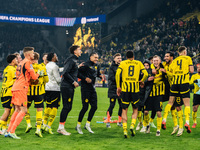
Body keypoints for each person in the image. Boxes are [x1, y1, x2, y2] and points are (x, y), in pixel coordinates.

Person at [5, 47, 39, 139]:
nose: (33, 55)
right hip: (21, 88)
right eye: (32, 53)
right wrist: (39, 73)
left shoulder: (20, 63)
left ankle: (8, 131)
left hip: (15, 87)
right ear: (28, 54)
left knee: (17, 110)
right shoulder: (28, 63)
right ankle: (12, 131)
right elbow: (34, 77)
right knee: (24, 110)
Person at [115, 50, 148, 138]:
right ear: (133, 57)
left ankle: (125, 130)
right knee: (135, 109)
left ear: (126, 57)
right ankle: (132, 125)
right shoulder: (138, 63)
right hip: (135, 90)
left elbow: (117, 74)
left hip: (125, 90)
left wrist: (118, 86)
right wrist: (142, 81)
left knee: (124, 110)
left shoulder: (123, 63)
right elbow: (145, 73)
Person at [162, 46, 194, 134]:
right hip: (184, 83)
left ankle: (164, 119)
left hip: (175, 83)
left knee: (170, 102)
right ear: (184, 52)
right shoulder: (188, 58)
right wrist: (187, 68)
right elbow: (191, 70)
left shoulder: (175, 60)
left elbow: (171, 71)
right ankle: (187, 122)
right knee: (187, 104)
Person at [57, 45, 82, 135]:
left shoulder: (74, 60)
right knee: (67, 106)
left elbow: (71, 71)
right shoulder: (71, 60)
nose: (81, 51)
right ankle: (60, 128)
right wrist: (73, 82)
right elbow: (65, 73)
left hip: (69, 86)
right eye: (79, 50)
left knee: (68, 107)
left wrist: (78, 67)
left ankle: (61, 127)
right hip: (67, 86)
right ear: (75, 51)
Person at [76, 52, 102, 134]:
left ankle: (87, 124)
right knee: (85, 107)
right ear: (90, 57)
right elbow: (77, 73)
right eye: (95, 57)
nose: (96, 59)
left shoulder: (97, 65)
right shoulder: (85, 65)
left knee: (94, 107)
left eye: (97, 57)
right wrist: (85, 78)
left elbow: (97, 73)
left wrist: (100, 76)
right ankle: (78, 125)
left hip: (92, 89)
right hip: (85, 89)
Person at [25, 52, 48, 138]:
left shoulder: (27, 67)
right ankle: (38, 129)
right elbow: (47, 79)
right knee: (39, 110)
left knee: (26, 108)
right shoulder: (42, 67)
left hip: (28, 92)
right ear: (38, 59)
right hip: (39, 92)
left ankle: (28, 124)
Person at [143, 55, 165, 136]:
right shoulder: (150, 68)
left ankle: (158, 130)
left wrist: (165, 72)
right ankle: (147, 125)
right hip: (149, 94)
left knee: (158, 112)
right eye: (154, 60)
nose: (155, 62)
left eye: (157, 60)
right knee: (145, 112)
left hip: (158, 94)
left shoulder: (163, 69)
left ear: (160, 61)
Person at [43, 52, 61, 134]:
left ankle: (44, 124)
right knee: (55, 107)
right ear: (53, 58)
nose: (57, 57)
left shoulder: (46, 65)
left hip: (47, 88)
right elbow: (58, 79)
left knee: (48, 106)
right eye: (56, 56)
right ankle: (49, 126)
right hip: (55, 89)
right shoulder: (55, 66)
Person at [0, 55, 18, 135]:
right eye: (16, 59)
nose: (17, 60)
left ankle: (4, 129)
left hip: (4, 91)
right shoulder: (13, 69)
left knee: (9, 110)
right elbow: (15, 81)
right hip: (8, 92)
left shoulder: (6, 68)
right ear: (13, 61)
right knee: (7, 111)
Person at [106, 53, 122, 128]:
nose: (120, 59)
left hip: (121, 89)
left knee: (121, 105)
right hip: (113, 89)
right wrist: (120, 78)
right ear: (114, 59)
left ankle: (119, 121)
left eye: (120, 58)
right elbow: (111, 77)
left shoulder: (122, 67)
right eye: (118, 58)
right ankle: (108, 121)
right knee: (112, 105)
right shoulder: (112, 67)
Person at [190, 64, 200, 128]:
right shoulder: (194, 76)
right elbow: (190, 82)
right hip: (196, 94)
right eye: (198, 67)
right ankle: (194, 122)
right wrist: (193, 81)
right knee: (194, 109)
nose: (199, 68)